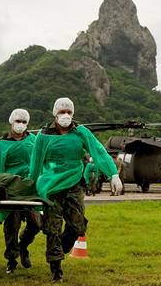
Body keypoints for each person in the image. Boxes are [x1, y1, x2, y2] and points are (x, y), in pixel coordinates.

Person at [29, 97, 123, 282]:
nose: (65, 115)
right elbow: (35, 164)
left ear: (73, 114)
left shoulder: (81, 132)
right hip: (50, 187)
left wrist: (113, 174)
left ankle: (63, 247)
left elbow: (98, 151)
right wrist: (31, 191)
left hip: (73, 184)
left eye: (69, 112)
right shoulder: (43, 135)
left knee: (78, 225)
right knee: (53, 228)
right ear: (55, 114)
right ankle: (56, 268)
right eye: (62, 112)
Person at [0, 108, 41, 274]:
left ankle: (23, 246)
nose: (20, 125)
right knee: (12, 225)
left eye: (24, 122)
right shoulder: (1, 144)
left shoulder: (34, 141)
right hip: (11, 190)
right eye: (17, 121)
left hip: (30, 189)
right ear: (11, 122)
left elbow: (39, 164)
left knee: (35, 224)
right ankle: (12, 259)